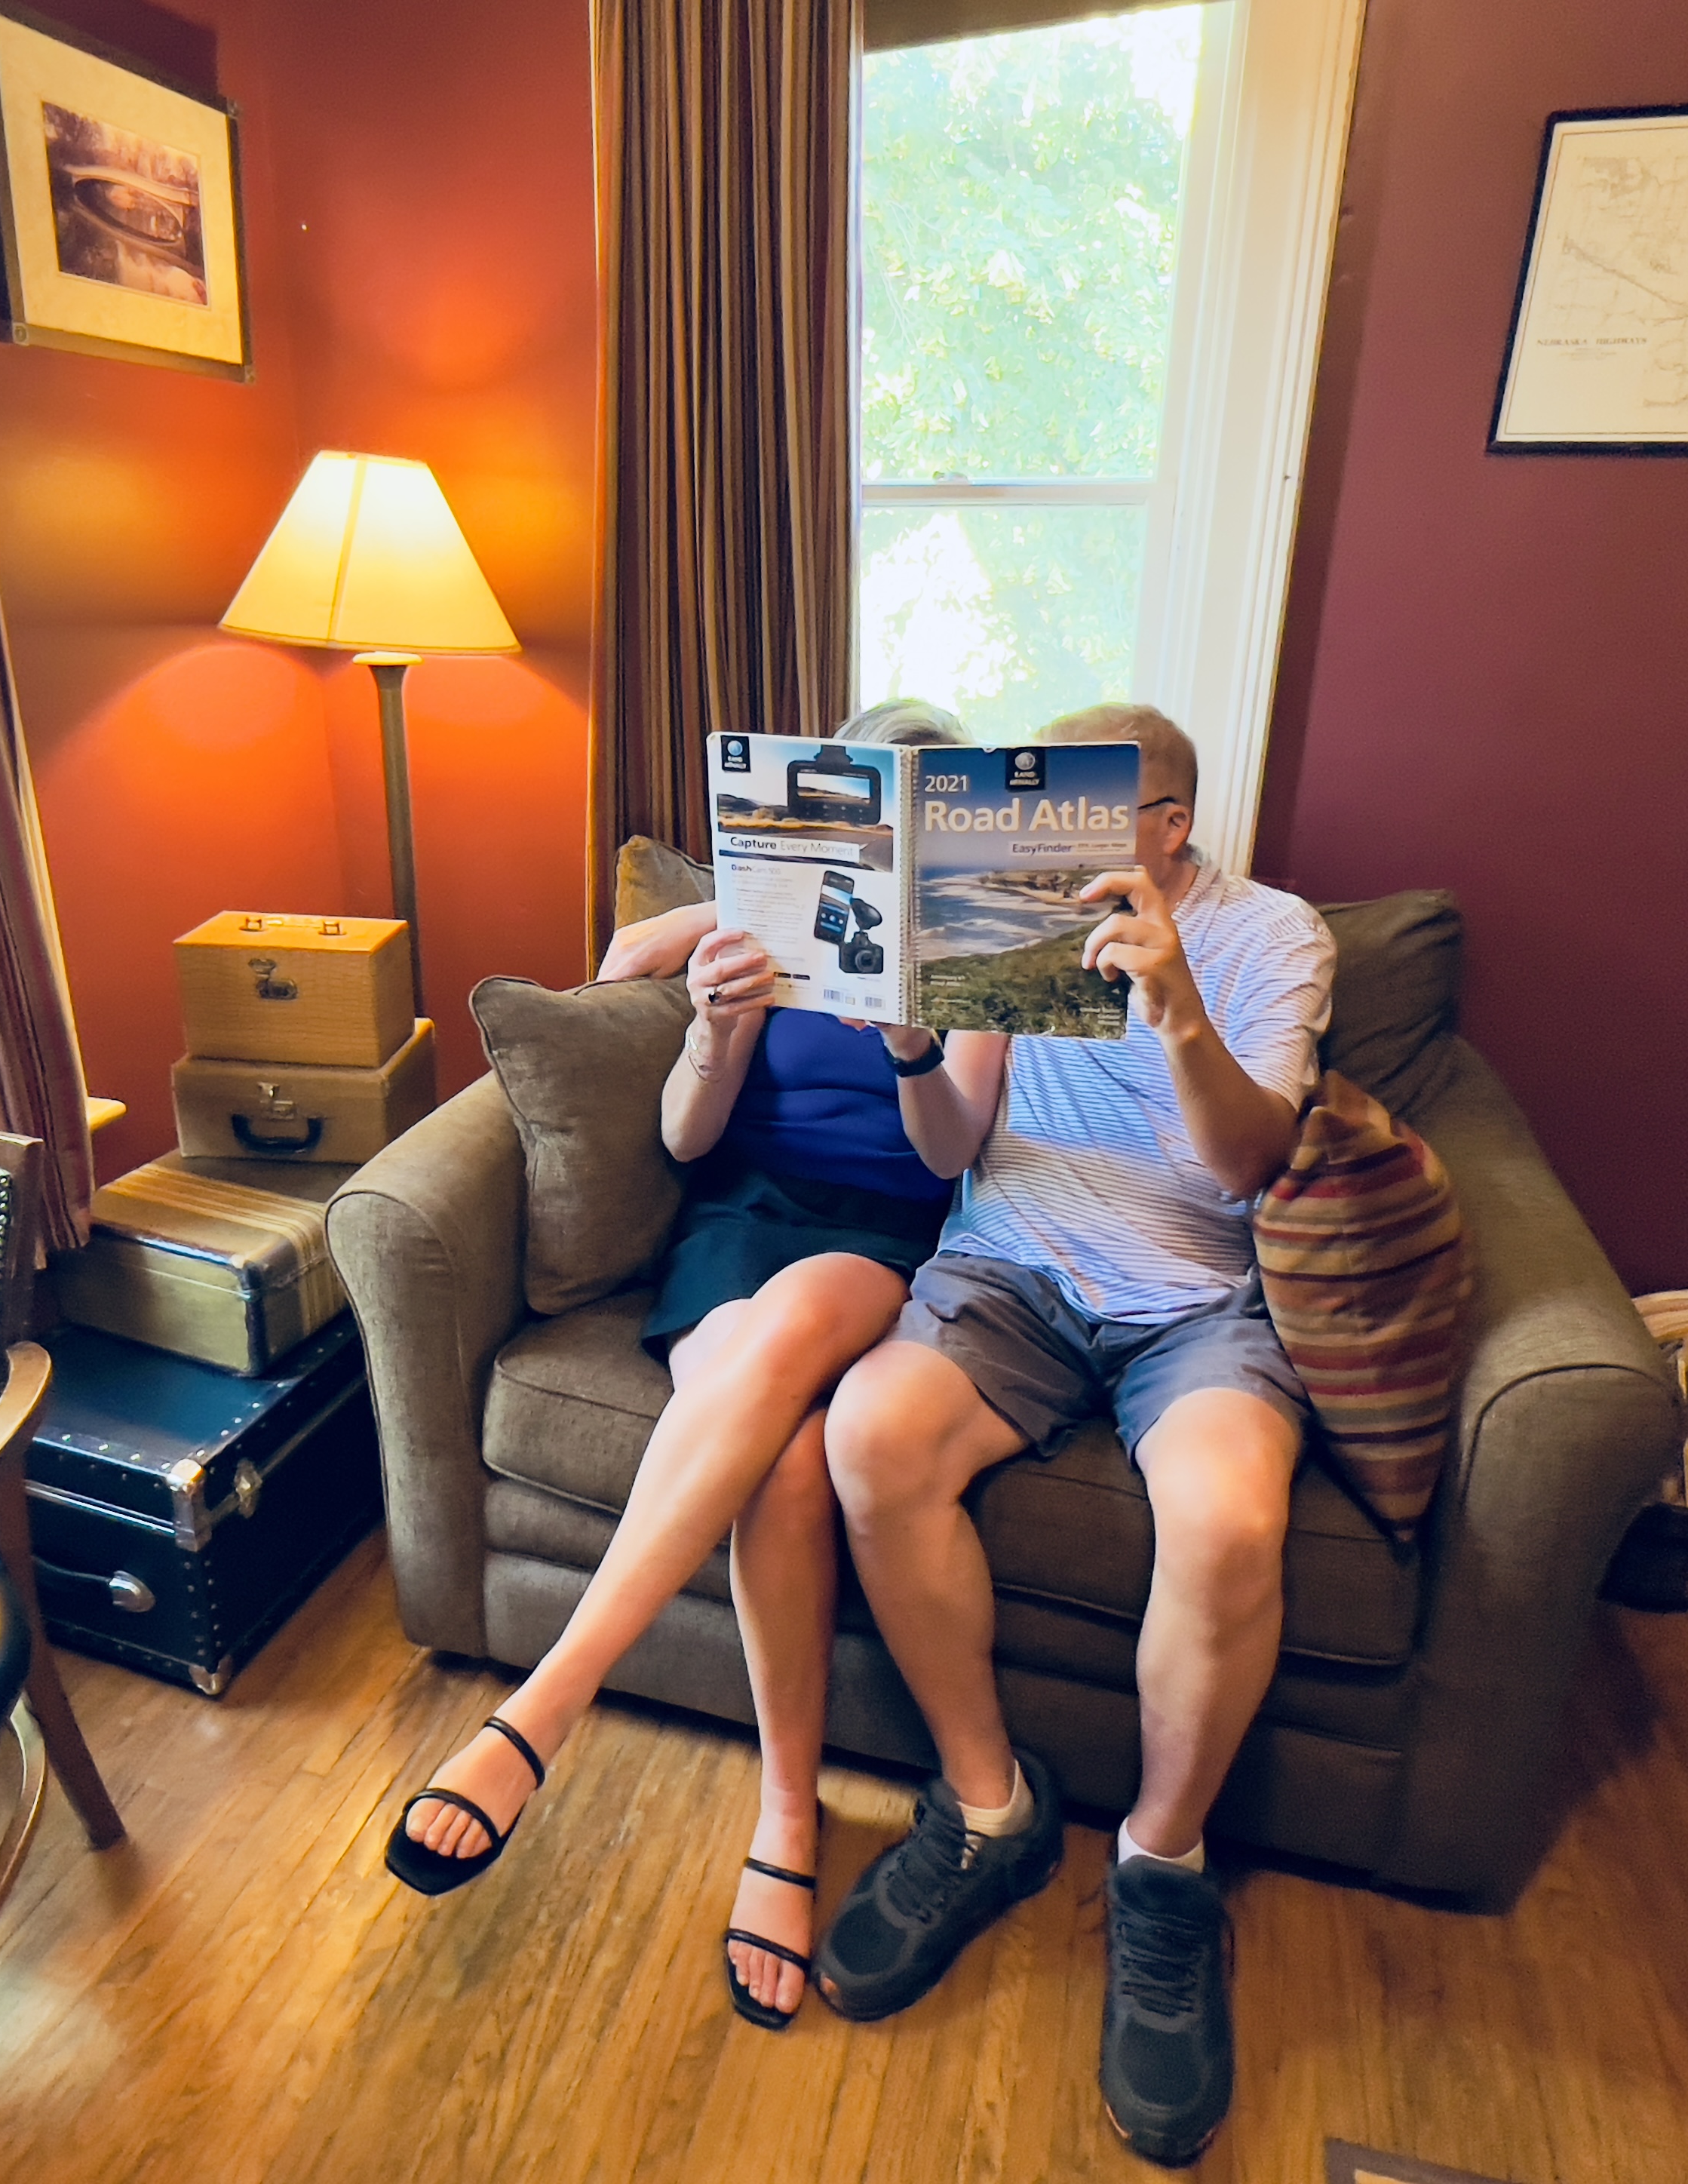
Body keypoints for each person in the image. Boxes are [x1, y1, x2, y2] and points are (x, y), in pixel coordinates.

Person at [384, 701, 1004, 2035]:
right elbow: (678, 1131)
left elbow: (953, 1155)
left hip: (887, 1234)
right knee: (779, 1468)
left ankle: (547, 1702)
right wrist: (716, 1020)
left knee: (790, 1338)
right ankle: (787, 1818)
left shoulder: (978, 941)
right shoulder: (754, 918)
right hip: (739, 1219)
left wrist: (906, 1033)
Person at [809, 702, 1334, 2169]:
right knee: (869, 1434)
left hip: (1197, 1295)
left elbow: (1245, 1161)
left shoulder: (1275, 934)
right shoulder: (1006, 903)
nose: (1046, 845)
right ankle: (989, 1807)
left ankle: (1162, 1869)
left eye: (1084, 813)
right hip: (1015, 1266)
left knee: (1228, 1518)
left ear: (1165, 821)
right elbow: (950, 1149)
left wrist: (1173, 1006)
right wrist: (918, 1040)